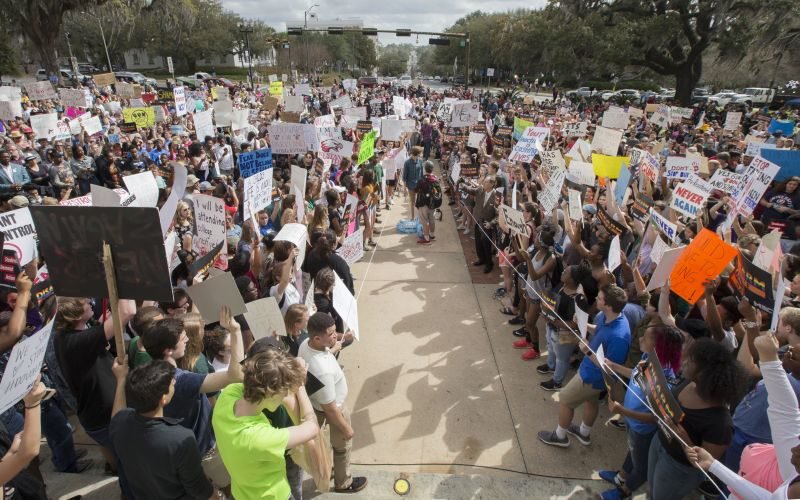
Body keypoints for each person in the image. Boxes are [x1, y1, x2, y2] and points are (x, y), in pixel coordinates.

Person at [142, 308, 244, 494]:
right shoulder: (180, 380)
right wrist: (236, 332)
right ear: (168, 350)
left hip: (180, 451)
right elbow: (235, 375)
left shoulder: (146, 372)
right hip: (206, 451)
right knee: (231, 490)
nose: (188, 340)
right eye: (183, 339)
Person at [685, 333, 800, 499]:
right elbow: (785, 412)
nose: (794, 449)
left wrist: (769, 360)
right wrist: (714, 466)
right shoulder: (792, 466)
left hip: (751, 435)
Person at [212, 345, 319, 500]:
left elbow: (250, 378)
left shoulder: (227, 397)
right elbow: (312, 427)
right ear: (270, 393)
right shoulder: (260, 438)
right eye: (286, 391)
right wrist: (300, 386)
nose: (288, 395)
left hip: (241, 493)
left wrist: (285, 370)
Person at [646, 338, 746, 500]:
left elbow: (703, 463)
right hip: (659, 443)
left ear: (705, 373)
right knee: (652, 489)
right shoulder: (689, 382)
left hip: (678, 468)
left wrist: (684, 438)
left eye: (691, 360)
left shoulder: (720, 423)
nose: (684, 361)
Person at [538, 285, 631, 448]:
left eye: (600, 298)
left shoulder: (619, 336)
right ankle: (583, 433)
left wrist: (587, 352)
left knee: (565, 399)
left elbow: (609, 369)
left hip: (592, 376)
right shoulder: (608, 316)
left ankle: (560, 437)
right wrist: (584, 324)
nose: (596, 299)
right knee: (591, 402)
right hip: (590, 372)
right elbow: (600, 330)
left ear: (609, 305)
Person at [599, 325, 685, 500]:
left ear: (657, 347)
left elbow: (657, 418)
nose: (639, 340)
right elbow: (636, 374)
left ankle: (624, 491)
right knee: (632, 451)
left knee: (640, 466)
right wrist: (614, 366)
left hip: (642, 429)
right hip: (632, 423)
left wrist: (622, 410)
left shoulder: (665, 381)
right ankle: (620, 477)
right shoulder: (648, 358)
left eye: (645, 338)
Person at [109, 359, 214, 500]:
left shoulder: (120, 423)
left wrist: (121, 379)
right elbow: (200, 489)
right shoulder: (181, 439)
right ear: (163, 398)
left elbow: (117, 414)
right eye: (172, 382)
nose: (175, 383)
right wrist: (218, 496)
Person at [298, 313, 367, 493]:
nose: (335, 335)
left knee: (324, 447)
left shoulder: (305, 344)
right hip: (332, 411)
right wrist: (346, 428)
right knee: (342, 447)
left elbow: (325, 352)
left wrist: (338, 345)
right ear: (317, 337)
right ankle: (343, 482)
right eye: (331, 334)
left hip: (314, 406)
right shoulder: (323, 372)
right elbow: (330, 409)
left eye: (335, 331)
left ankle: (328, 471)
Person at [414, 160, 438, 244]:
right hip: (433, 203)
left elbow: (416, 190)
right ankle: (432, 235)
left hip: (423, 204)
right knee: (432, 220)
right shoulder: (435, 178)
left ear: (425, 169)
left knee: (424, 221)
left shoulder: (422, 180)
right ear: (432, 169)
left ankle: (426, 239)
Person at [402, 146, 423, 219]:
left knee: (419, 201)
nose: (421, 154)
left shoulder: (420, 161)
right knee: (413, 202)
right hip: (410, 185)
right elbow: (404, 177)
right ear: (417, 154)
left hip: (419, 185)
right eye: (420, 153)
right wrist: (405, 189)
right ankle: (413, 217)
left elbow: (422, 174)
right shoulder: (407, 163)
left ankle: (419, 217)